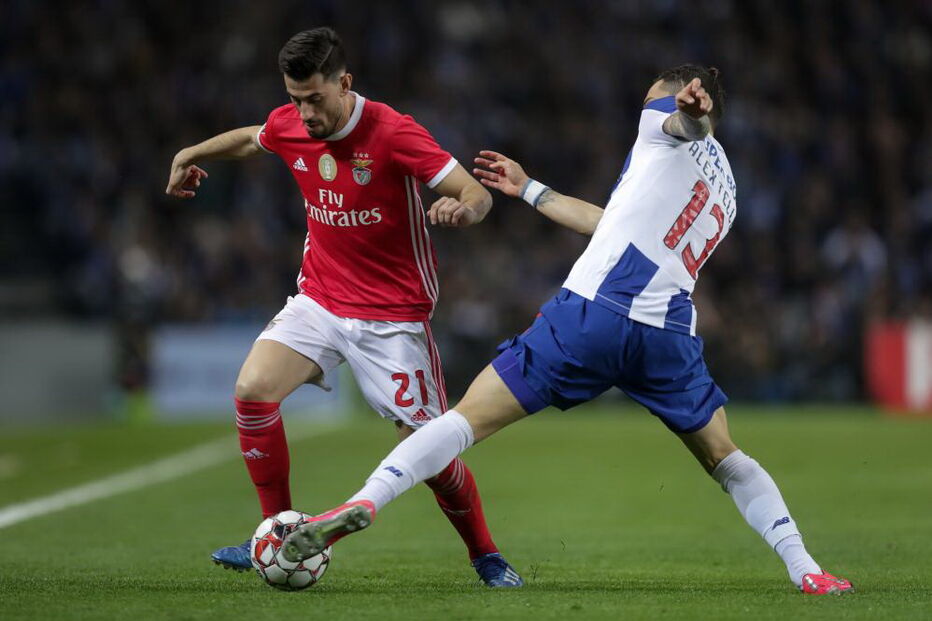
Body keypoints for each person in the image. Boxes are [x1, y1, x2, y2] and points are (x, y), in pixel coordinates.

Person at [279, 65, 854, 596]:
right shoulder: (725, 187)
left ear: (676, 92)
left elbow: (684, 120)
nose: (645, 104)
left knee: (463, 420)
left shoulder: (664, 120)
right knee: (726, 457)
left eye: (653, 95)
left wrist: (690, 110)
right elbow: (612, 225)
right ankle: (806, 569)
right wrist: (530, 189)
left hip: (594, 313)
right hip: (667, 333)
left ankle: (361, 504)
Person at [165, 27, 522, 587]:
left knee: (429, 453)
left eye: (315, 98)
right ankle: (277, 531)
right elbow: (252, 138)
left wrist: (464, 210)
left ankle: (486, 554)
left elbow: (471, 191)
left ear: (344, 83)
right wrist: (191, 152)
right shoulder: (292, 123)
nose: (304, 113)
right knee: (253, 390)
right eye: (294, 98)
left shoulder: (393, 131)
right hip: (321, 300)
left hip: (393, 317)